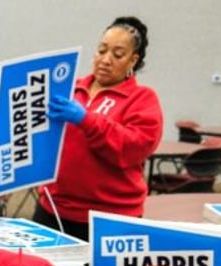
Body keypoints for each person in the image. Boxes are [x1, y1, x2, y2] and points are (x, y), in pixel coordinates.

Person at [32, 16, 163, 241]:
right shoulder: (69, 89)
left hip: (110, 218)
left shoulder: (142, 99)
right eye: (101, 50)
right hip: (54, 209)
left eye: (117, 54)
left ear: (133, 60)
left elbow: (133, 148)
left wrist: (86, 120)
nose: (105, 60)